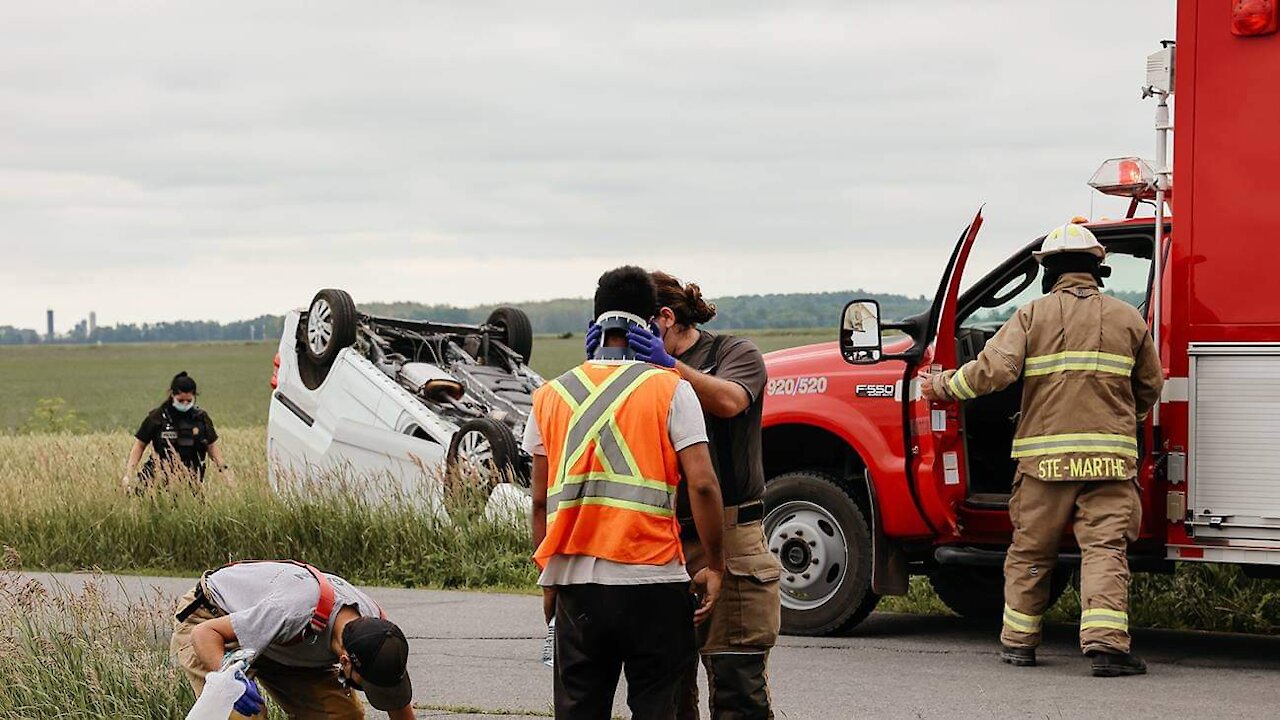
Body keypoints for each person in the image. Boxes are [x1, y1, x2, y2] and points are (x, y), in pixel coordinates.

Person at [921, 222, 1163, 678]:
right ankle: (1107, 647)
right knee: (1104, 551)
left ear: (1048, 272)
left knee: (1031, 552)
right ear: (1098, 270)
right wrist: (1122, 420)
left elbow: (990, 374)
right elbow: (1150, 386)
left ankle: (1018, 643)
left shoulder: (1032, 316)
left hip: (1043, 465)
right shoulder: (1129, 319)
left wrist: (939, 387)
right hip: (1110, 463)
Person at [527, 265, 726, 719]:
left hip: (577, 587)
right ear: (653, 322)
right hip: (654, 583)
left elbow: (539, 502)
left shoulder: (550, 396)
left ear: (594, 324)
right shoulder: (671, 390)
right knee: (659, 707)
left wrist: (549, 578)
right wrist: (716, 564)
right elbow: (702, 483)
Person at [627, 271, 781, 720]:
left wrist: (669, 367)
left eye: (639, 329)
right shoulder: (639, 373)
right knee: (668, 694)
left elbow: (731, 401)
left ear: (666, 319)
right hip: (662, 538)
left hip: (732, 536)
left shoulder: (735, 352)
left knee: (737, 690)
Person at [171, 559, 416, 719]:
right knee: (244, 716)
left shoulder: (379, 636)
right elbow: (204, 634)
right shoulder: (296, 612)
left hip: (284, 640)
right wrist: (229, 680)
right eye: (364, 684)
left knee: (343, 716)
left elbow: (397, 705)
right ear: (345, 661)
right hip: (213, 621)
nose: (368, 689)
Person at [123, 371, 231, 489]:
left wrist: (225, 472)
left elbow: (212, 446)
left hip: (190, 481)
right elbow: (139, 445)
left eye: (189, 401)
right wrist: (128, 474)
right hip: (157, 479)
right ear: (172, 395)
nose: (185, 404)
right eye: (180, 400)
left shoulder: (201, 419)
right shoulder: (157, 417)